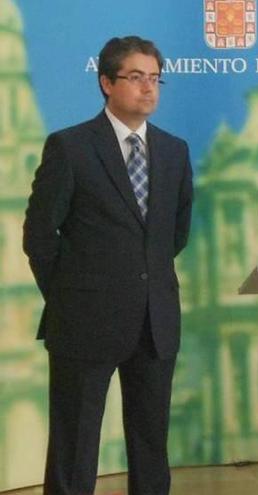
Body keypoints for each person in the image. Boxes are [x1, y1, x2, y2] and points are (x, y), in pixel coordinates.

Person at [23, 36, 193, 495]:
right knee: (75, 446)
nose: (148, 89)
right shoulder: (71, 147)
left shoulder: (175, 151)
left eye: (155, 78)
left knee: (150, 442)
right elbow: (39, 236)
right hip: (83, 321)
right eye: (135, 77)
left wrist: (144, 283)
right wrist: (69, 297)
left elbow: (173, 234)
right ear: (105, 82)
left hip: (154, 320)